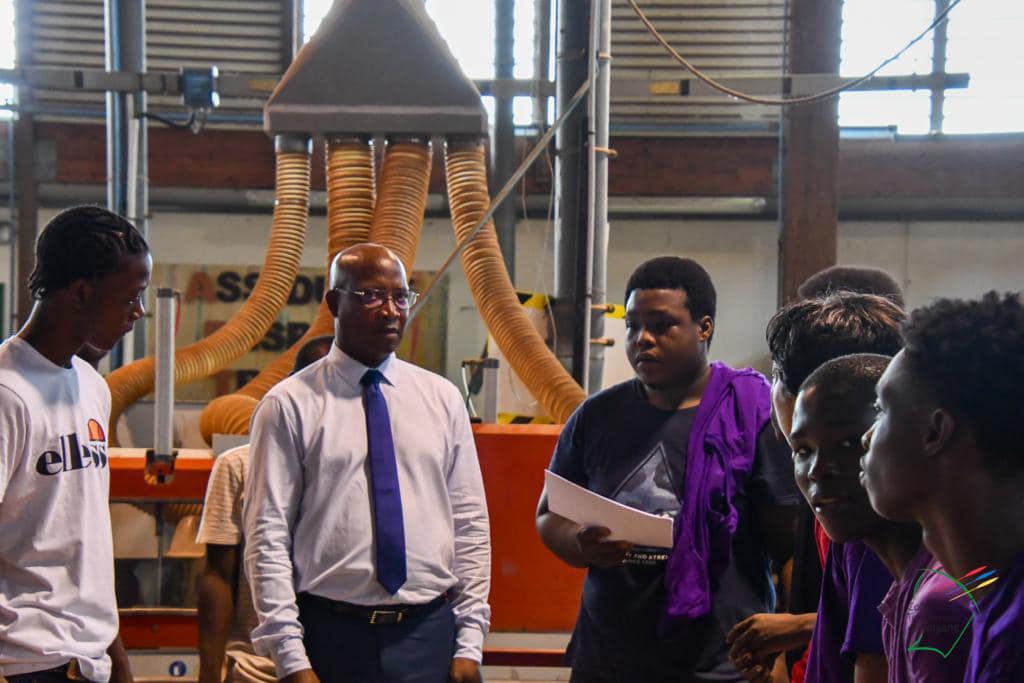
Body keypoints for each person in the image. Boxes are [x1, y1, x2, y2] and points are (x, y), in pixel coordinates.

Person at [536, 256, 801, 682]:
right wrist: (578, 542)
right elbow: (549, 513)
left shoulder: (751, 415)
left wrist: (785, 652)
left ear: (704, 327)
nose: (642, 339)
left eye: (661, 326)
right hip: (609, 659)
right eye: (632, 326)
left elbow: (791, 546)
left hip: (720, 662)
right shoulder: (596, 417)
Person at [243, 243, 491, 683]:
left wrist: (469, 640)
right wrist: (290, 657)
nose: (391, 311)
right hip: (329, 636)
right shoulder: (289, 405)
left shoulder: (442, 400)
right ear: (334, 303)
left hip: (427, 634)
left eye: (401, 297)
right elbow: (267, 535)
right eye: (372, 296)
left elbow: (469, 523)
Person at [0, 206, 151, 682]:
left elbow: (84, 539)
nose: (138, 312)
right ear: (82, 292)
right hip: (24, 660)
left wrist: (116, 654)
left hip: (87, 658)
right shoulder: (7, 394)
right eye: (131, 296)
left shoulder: (91, 385)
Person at [728, 292, 904, 682]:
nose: (819, 469)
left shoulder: (865, 518)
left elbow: (876, 660)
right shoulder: (836, 499)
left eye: (776, 375)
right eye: (804, 452)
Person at [861, 291, 1024, 682]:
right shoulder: (994, 597)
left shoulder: (1014, 632)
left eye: (881, 411)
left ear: (935, 432)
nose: (866, 437)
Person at [791, 354, 970, 683]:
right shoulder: (903, 591)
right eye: (802, 451)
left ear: (931, 437)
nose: (817, 470)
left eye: (850, 443)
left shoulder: (940, 601)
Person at [196, 336, 335, 683]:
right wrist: (210, 671)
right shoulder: (239, 466)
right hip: (256, 667)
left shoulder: (365, 469)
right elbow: (218, 575)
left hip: (337, 661)